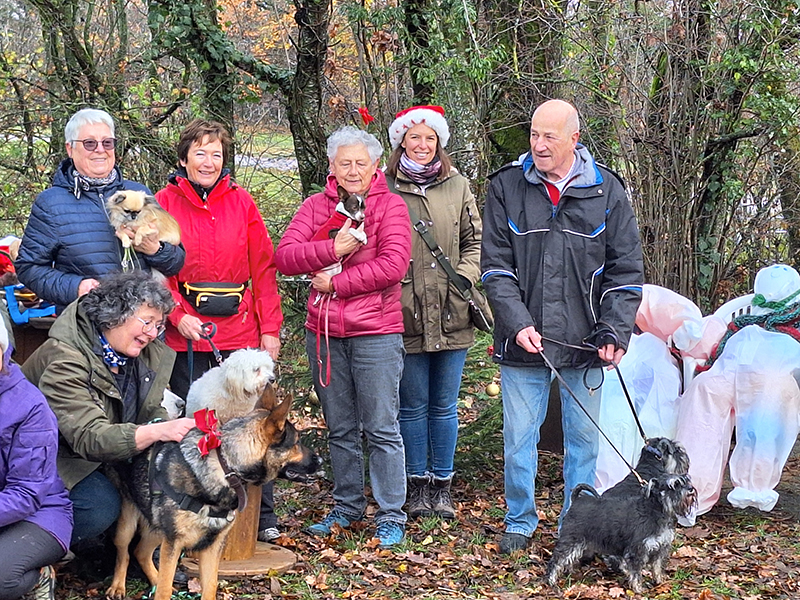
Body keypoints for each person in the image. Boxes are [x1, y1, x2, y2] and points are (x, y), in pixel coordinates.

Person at [480, 99, 643, 554]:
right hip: (523, 344)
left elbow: (625, 273)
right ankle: (519, 520)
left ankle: (577, 527)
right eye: (534, 134)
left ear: (574, 139)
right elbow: (495, 268)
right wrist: (517, 323)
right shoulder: (506, 186)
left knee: (584, 444)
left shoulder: (607, 190)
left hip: (585, 344)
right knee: (518, 441)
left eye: (549, 136)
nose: (539, 144)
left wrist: (613, 331)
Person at [275, 126, 411, 548]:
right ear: (332, 166)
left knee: (382, 428)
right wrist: (332, 250)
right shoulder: (316, 206)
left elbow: (394, 265)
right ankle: (347, 506)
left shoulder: (391, 206)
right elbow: (285, 256)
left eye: (360, 163)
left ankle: (391, 514)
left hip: (376, 333)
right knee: (340, 428)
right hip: (325, 333)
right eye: (344, 163)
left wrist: (337, 282)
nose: (353, 171)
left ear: (375, 166)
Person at [155, 119, 283, 543]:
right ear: (183, 159)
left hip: (240, 335)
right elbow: (158, 269)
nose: (208, 162)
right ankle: (193, 517)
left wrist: (270, 329)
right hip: (188, 335)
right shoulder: (163, 203)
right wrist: (177, 315)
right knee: (196, 428)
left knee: (253, 426)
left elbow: (263, 268)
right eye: (200, 153)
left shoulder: (242, 202)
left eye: (216, 154)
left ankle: (259, 515)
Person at [21, 271, 195, 548]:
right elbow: (89, 437)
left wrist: (162, 425)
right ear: (115, 314)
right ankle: (34, 546)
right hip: (39, 460)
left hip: (97, 456)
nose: (152, 333)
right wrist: (156, 431)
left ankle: (124, 556)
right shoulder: (65, 359)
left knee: (157, 482)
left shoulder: (136, 354)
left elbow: (149, 409)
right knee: (99, 504)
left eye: (159, 325)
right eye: (147, 322)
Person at [384, 106, 483, 520]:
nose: (422, 145)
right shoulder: (384, 186)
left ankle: (442, 485)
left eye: (430, 138)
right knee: (412, 406)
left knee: (444, 406)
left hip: (451, 310)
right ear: (401, 142)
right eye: (415, 138)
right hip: (404, 311)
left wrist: (464, 276)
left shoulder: (457, 185)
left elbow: (475, 240)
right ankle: (416, 485)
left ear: (439, 142)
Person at [15, 108, 185, 311]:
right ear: (70, 149)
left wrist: (156, 250)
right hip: (87, 322)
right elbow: (29, 268)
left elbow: (175, 262)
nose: (100, 149)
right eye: (89, 143)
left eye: (107, 142)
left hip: (142, 321)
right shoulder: (51, 204)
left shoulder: (139, 194)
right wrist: (75, 287)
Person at [0, 321, 72, 600]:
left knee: (1, 578)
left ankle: (38, 578)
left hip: (37, 513)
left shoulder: (30, 406)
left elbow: (26, 493)